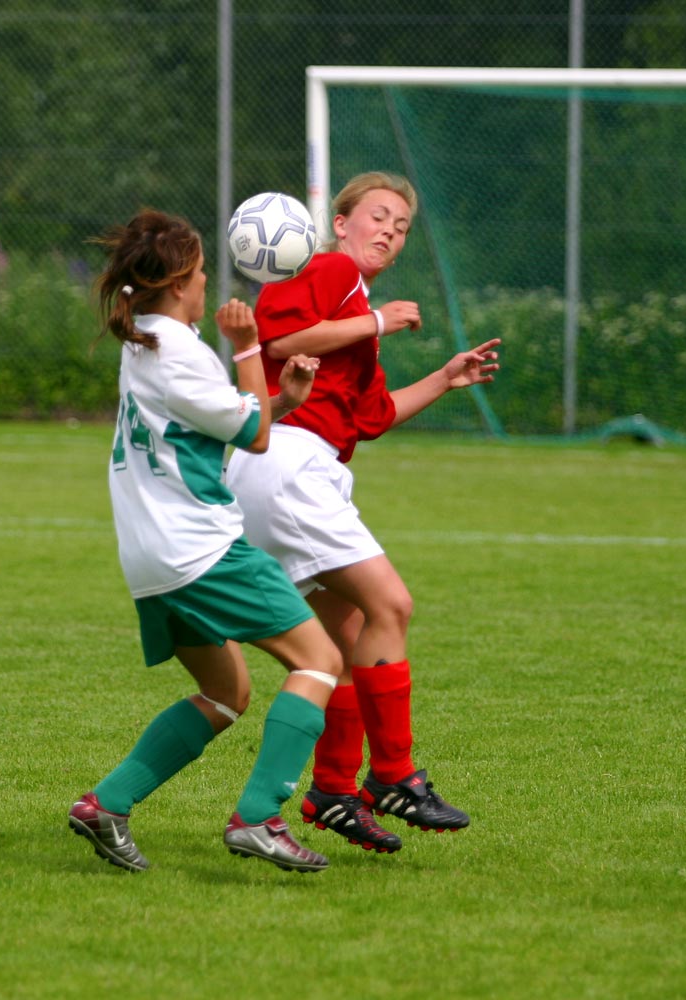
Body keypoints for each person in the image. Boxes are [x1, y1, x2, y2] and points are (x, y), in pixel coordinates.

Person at [223, 172, 500, 855]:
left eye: (402, 226)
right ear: (339, 222)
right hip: (288, 461)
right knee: (392, 606)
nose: (390, 231)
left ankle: (334, 791)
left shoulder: (354, 317)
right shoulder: (326, 266)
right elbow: (278, 343)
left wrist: (444, 377)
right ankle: (397, 775)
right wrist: (377, 319)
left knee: (347, 640)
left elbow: (371, 417)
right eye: (379, 215)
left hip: (290, 468)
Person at [67, 209, 345, 874]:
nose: (207, 289)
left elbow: (219, 429)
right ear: (178, 284)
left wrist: (284, 400)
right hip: (202, 550)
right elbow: (250, 436)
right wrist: (250, 348)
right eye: (199, 276)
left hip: (154, 557)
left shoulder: (144, 343)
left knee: (227, 693)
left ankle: (107, 803)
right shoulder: (179, 351)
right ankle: (258, 818)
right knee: (319, 662)